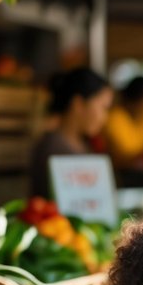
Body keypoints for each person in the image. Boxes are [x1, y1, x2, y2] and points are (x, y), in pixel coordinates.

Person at [29, 66, 112, 199]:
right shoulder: (53, 149)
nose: (105, 117)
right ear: (78, 104)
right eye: (103, 107)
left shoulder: (83, 144)